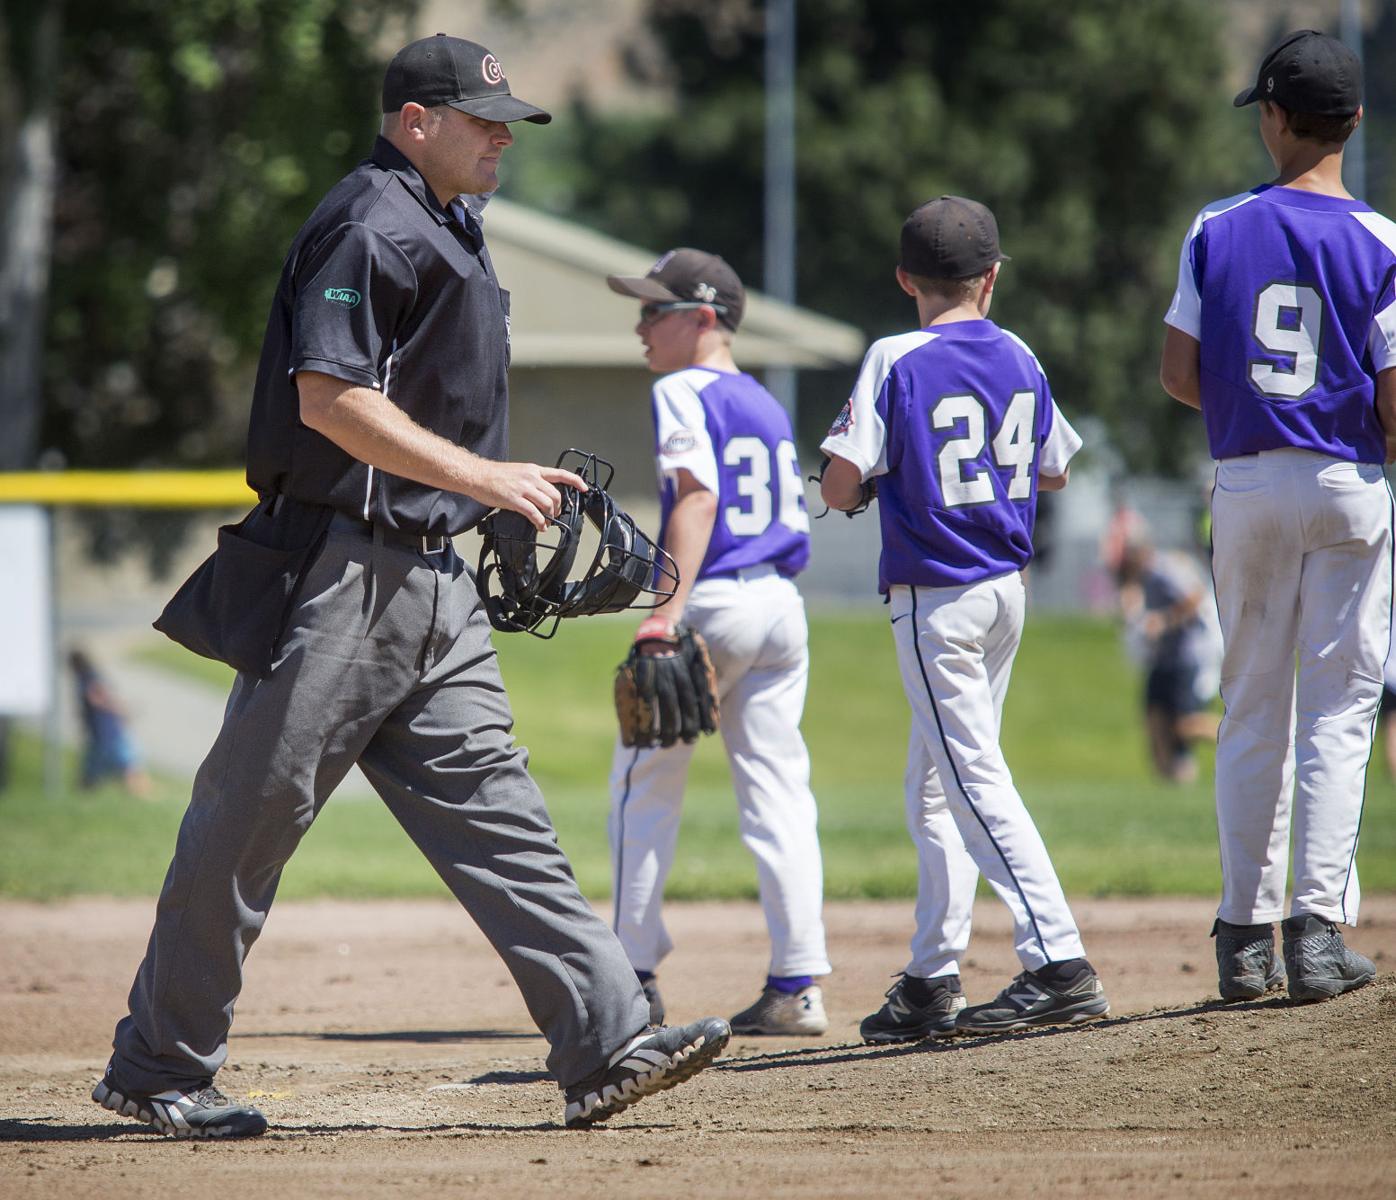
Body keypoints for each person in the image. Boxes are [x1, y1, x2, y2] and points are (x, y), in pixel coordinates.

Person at [91, 34, 729, 1140]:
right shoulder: (368, 221)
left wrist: (479, 496)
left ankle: (605, 1039)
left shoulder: (450, 226)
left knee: (501, 815)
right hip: (346, 577)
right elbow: (329, 397)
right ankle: (158, 1066)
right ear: (413, 120)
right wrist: (481, 475)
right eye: (481, 119)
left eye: (508, 121)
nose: (501, 136)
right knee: (247, 824)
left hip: (434, 586)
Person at [820, 196, 1108, 1040]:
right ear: (990, 278)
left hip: (936, 597)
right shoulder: (1018, 351)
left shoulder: (896, 354)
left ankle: (1058, 962)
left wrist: (880, 478)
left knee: (971, 780)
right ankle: (929, 978)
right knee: (937, 785)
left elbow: (840, 484)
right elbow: (1052, 471)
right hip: (1004, 592)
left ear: (906, 277)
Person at [1159, 29, 1394, 1004]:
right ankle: (1314, 936)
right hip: (1346, 477)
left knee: (1251, 704)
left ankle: (1243, 944)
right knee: (1339, 712)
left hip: (1248, 480)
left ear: (1270, 118)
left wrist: (1259, 417)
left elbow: (1178, 374)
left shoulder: (1217, 225)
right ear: (1354, 122)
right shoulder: (1383, 240)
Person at [602, 249, 831, 1035]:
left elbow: (696, 501)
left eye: (654, 311)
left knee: (643, 784)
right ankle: (798, 985)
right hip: (780, 608)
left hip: (718, 601)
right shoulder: (763, 399)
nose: (640, 326)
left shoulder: (682, 388)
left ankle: (631, 975)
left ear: (703, 318)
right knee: (779, 795)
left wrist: (664, 613)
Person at [1114, 537, 1221, 783]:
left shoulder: (1165, 569)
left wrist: (1165, 621)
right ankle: (1169, 780)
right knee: (1154, 719)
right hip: (1162, 656)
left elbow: (1195, 597)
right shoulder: (1143, 577)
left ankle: (1238, 737)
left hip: (1187, 654)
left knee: (1184, 724)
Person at [69, 648, 151, 796]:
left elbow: (100, 699)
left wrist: (123, 710)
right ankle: (83, 798)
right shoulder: (89, 677)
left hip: (107, 734)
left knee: (128, 770)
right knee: (93, 774)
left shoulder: (89, 678)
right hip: (102, 734)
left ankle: (145, 795)